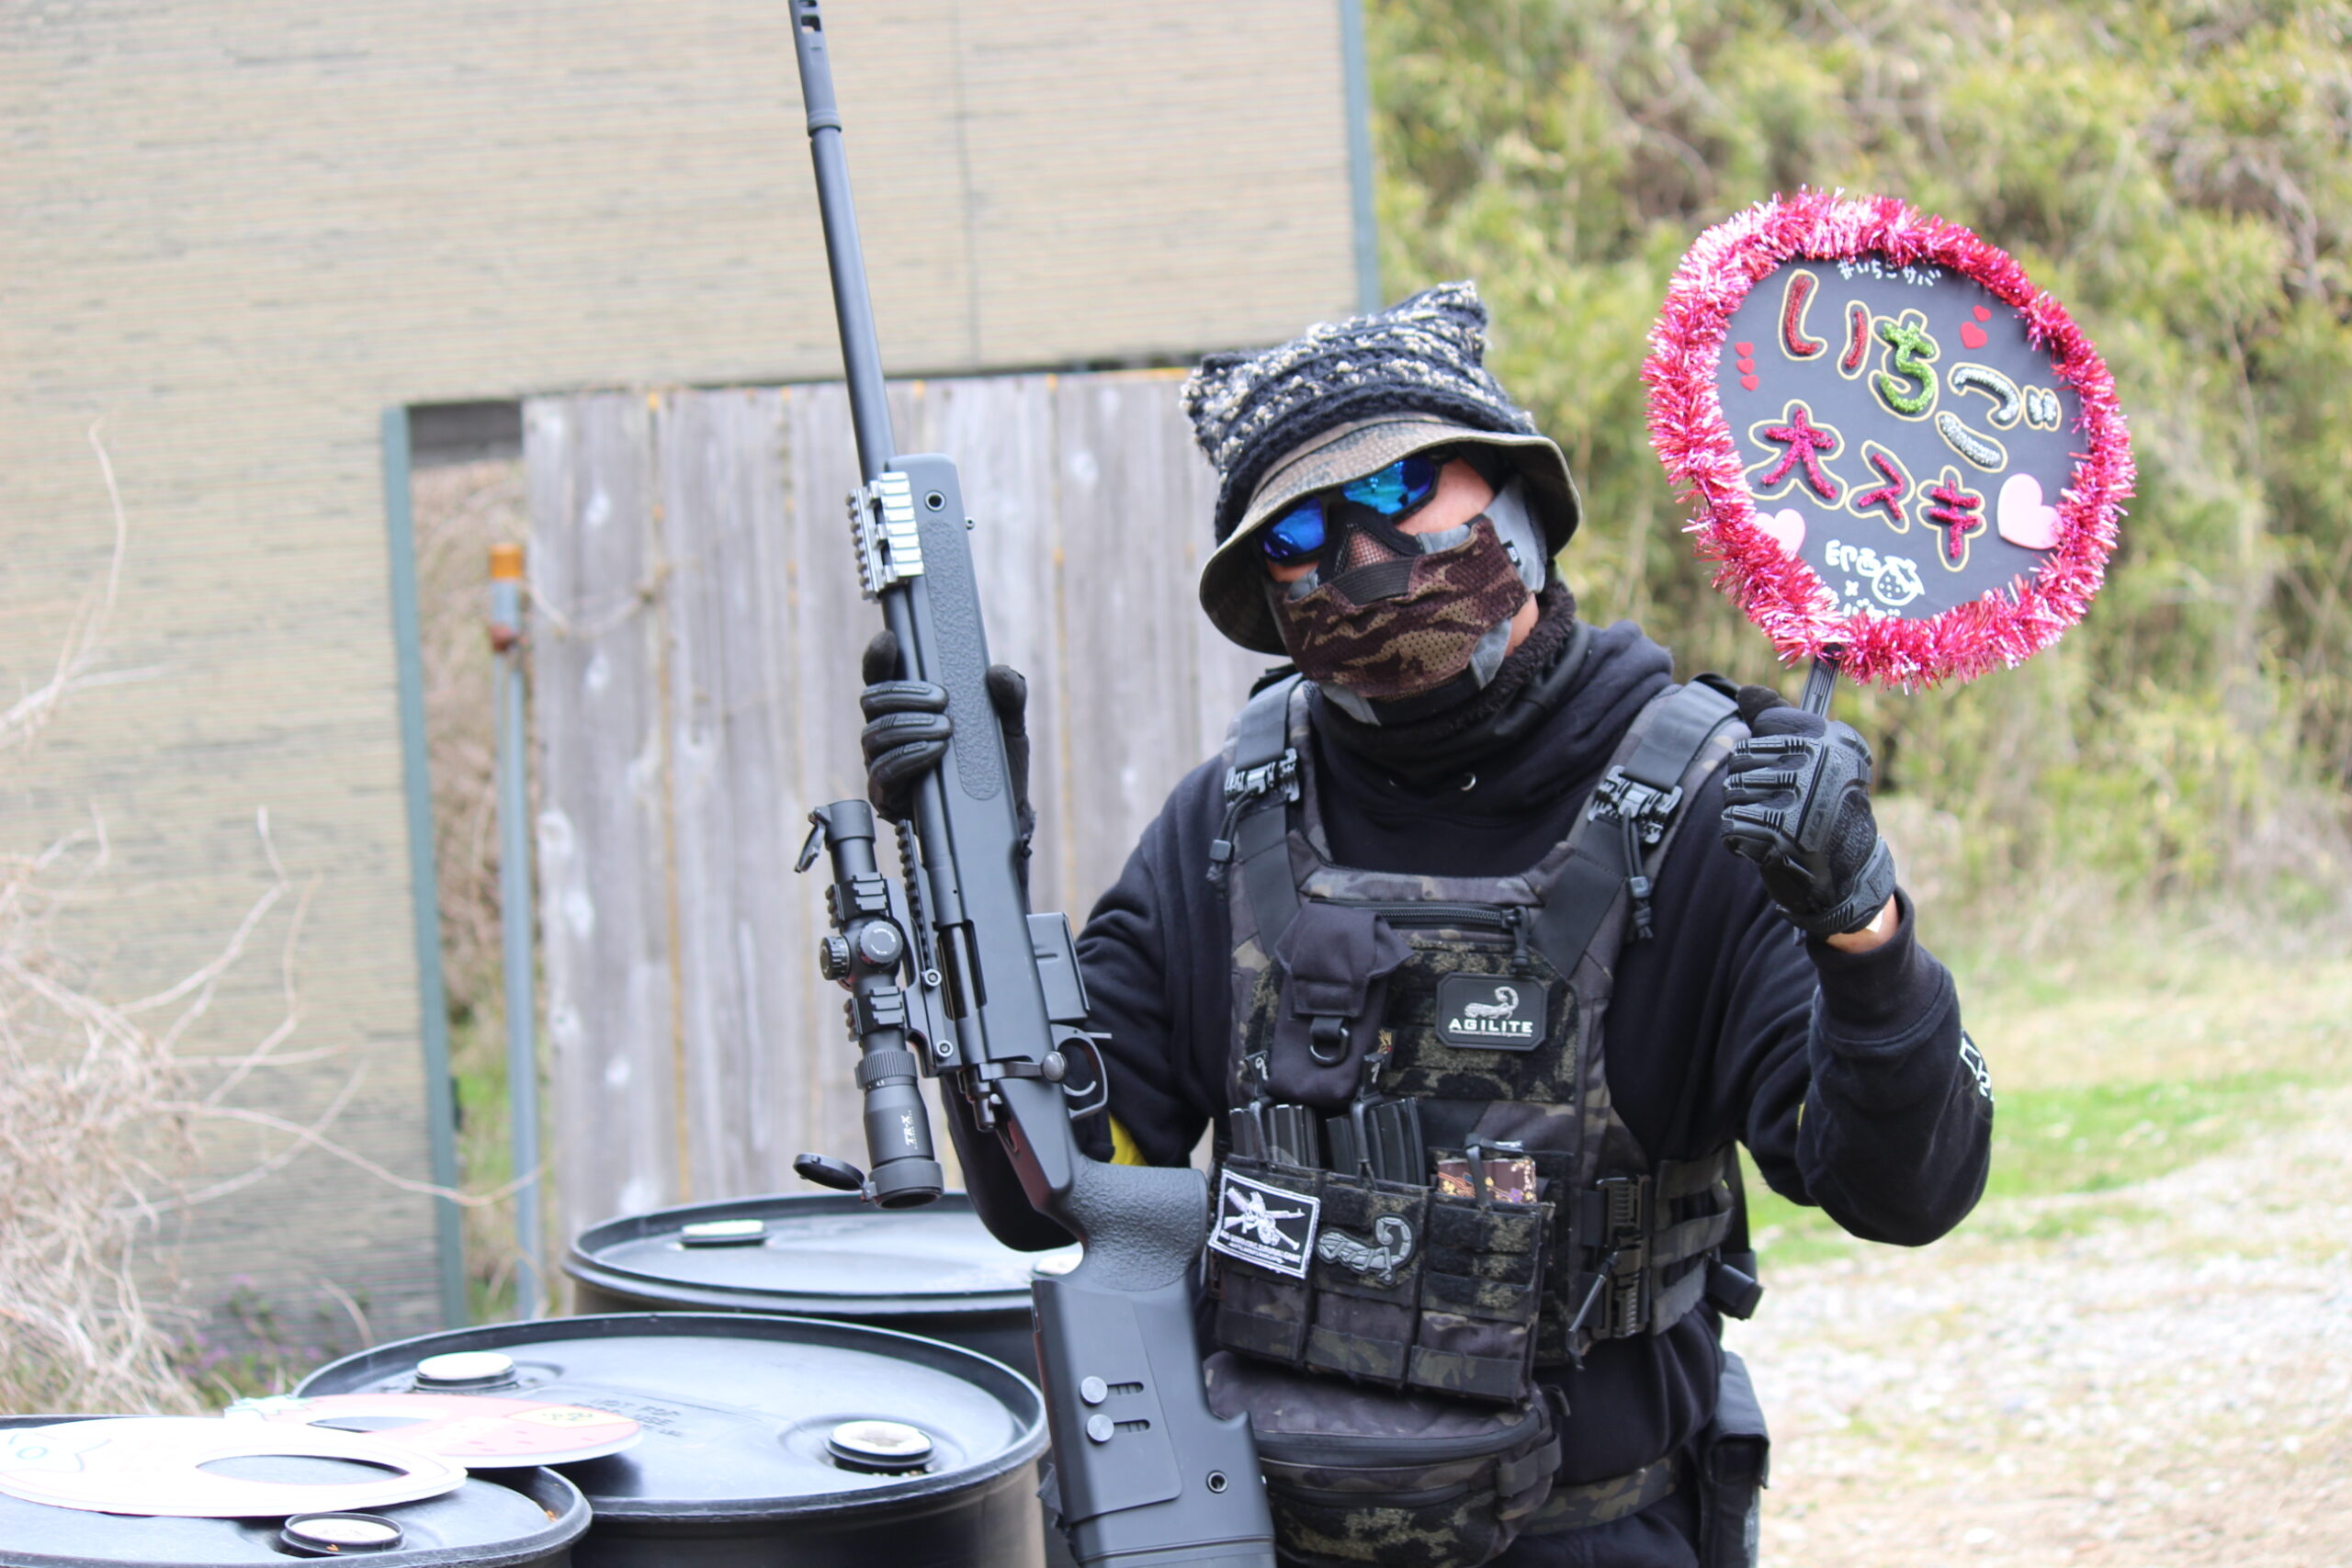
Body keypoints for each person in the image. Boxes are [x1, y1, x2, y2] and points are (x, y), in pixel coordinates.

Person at [862, 282, 1993, 1568]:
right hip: (1259, 1533)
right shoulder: (1231, 818)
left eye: (1399, 488)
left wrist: (1863, 933)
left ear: (1518, 494)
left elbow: (1908, 1190)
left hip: (1596, 1533)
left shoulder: (1709, 813)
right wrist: (966, 876)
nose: (1357, 552)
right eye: (1299, 532)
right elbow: (1059, 1187)